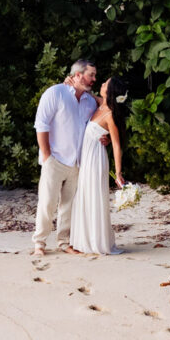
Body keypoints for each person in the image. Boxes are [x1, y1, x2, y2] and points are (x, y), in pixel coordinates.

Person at [31, 60, 98, 257]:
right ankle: (39, 244)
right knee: (47, 203)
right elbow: (41, 124)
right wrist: (47, 156)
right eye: (91, 75)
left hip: (77, 162)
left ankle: (64, 242)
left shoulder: (90, 101)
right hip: (55, 160)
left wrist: (102, 137)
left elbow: (99, 119)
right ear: (77, 75)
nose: (94, 79)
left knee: (69, 206)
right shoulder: (55, 93)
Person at [65, 76, 128, 256]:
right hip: (86, 159)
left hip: (95, 160)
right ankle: (83, 240)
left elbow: (116, 145)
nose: (101, 84)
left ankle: (96, 242)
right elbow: (87, 92)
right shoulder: (100, 104)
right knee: (84, 196)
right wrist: (72, 82)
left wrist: (118, 172)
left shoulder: (110, 115)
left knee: (93, 197)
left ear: (110, 91)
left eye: (105, 84)